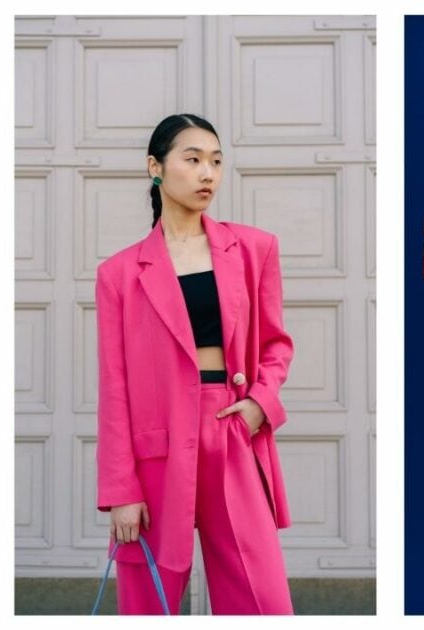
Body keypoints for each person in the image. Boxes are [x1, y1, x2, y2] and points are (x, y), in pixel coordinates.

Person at [95, 114, 295, 614]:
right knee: (150, 602)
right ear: (154, 168)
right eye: (193, 159)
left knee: (260, 596)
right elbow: (114, 387)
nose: (208, 173)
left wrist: (258, 404)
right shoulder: (119, 274)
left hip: (231, 429)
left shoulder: (253, 249)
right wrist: (121, 489)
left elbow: (276, 344)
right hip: (157, 447)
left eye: (216, 161)